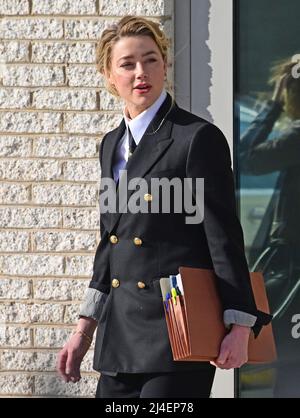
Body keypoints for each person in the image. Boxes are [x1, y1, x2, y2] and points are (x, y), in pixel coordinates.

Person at [56, 15, 271, 399]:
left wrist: (240, 324)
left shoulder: (196, 138)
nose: (142, 72)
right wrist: (83, 328)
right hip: (119, 337)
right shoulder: (110, 145)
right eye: (128, 64)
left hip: (176, 333)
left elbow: (222, 238)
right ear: (109, 75)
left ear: (165, 65)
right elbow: (111, 243)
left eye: (151, 59)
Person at [240, 58, 300, 397]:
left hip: (293, 267)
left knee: (290, 370)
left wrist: (272, 107)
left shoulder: (297, 136)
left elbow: (247, 155)